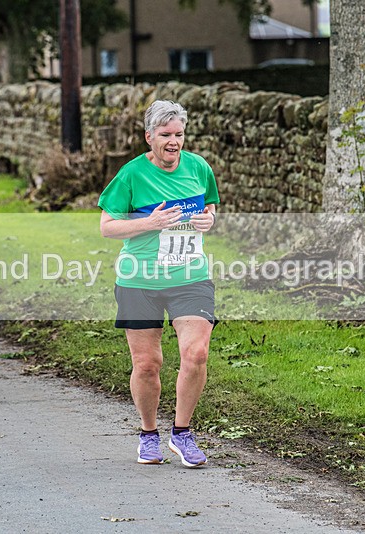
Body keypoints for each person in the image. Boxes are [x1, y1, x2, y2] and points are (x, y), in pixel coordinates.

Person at [98, 100, 219, 467]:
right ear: (149, 136)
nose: (174, 142)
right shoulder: (131, 174)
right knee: (148, 363)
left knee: (196, 353)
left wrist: (209, 220)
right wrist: (151, 223)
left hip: (190, 277)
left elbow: (211, 206)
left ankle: (182, 433)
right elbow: (107, 226)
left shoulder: (198, 167)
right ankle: (148, 434)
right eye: (166, 135)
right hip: (139, 280)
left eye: (179, 134)